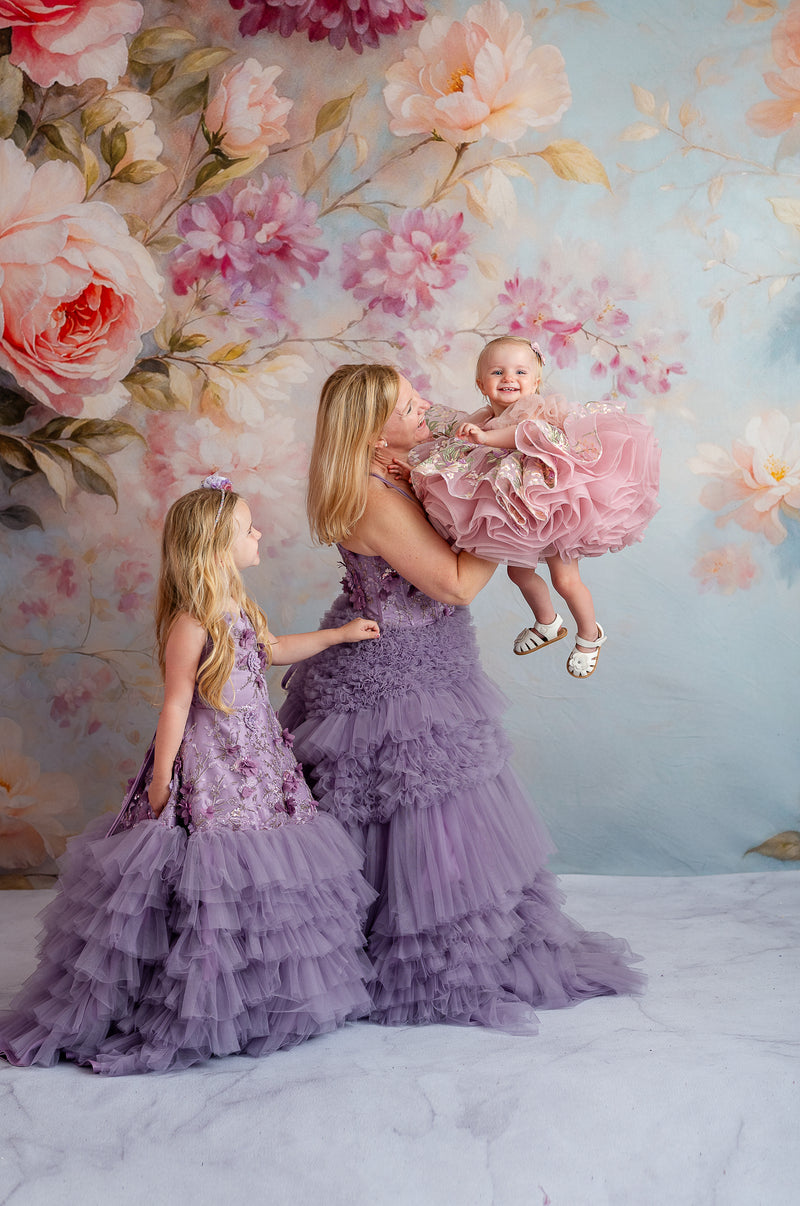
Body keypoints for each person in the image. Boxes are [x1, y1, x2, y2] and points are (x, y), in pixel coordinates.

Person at [279, 363, 645, 1033]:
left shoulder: (399, 466)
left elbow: (484, 438)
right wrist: (512, 512)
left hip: (434, 656)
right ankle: (398, 959)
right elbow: (453, 585)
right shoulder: (370, 495)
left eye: (419, 399)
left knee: (451, 809)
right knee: (410, 807)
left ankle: (456, 938)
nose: (426, 411)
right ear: (369, 431)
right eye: (409, 407)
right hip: (393, 670)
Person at [0, 476, 381, 1075]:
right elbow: (176, 702)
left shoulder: (242, 611)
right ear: (215, 545)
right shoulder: (193, 621)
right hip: (212, 767)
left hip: (259, 765)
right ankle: (192, 1000)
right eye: (248, 528)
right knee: (206, 877)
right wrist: (161, 782)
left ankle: (260, 996)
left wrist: (336, 635)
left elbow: (272, 650)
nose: (259, 534)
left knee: (265, 875)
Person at [405, 337, 660, 678]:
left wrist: (484, 439)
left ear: (536, 382)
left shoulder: (535, 409)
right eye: (497, 372)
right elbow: (454, 457)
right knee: (518, 572)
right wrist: (411, 470)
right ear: (481, 384)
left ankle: (590, 635)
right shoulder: (480, 419)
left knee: (566, 580)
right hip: (522, 515)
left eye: (520, 371)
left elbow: (526, 433)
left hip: (557, 507)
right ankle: (548, 623)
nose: (509, 378)